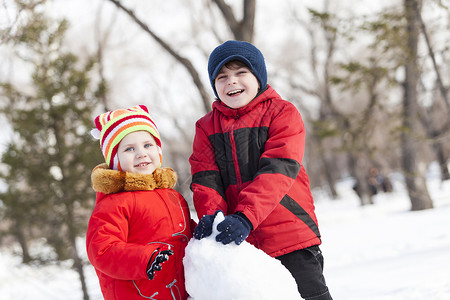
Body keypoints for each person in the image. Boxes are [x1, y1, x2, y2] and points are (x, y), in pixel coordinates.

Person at [189, 40, 332, 300]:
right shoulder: (206, 127)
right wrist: (213, 217)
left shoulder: (282, 113)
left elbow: (278, 169)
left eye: (240, 73)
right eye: (222, 77)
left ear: (258, 77)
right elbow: (205, 178)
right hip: (241, 245)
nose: (231, 81)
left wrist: (245, 216)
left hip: (290, 235)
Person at [86, 105, 193, 300]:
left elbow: (185, 232)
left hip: (178, 290)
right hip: (138, 293)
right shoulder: (113, 203)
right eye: (129, 149)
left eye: (147, 145)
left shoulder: (171, 195)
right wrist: (144, 259)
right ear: (115, 160)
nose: (141, 153)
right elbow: (102, 250)